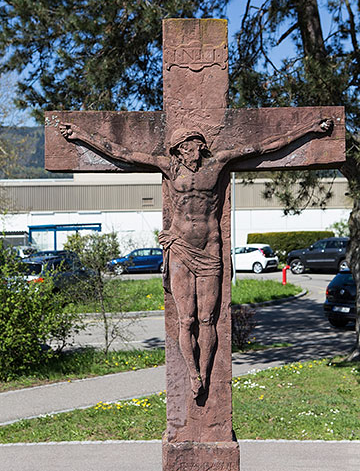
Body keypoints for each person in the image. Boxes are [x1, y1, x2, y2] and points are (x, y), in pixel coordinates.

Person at [59, 117, 333, 398]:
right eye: (187, 145)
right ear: (178, 149)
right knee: (185, 319)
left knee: (206, 319)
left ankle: (206, 370)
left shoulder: (217, 163)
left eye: (195, 143)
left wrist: (308, 128)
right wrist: (80, 134)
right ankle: (193, 373)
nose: (193, 148)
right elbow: (121, 153)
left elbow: (263, 147)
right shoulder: (168, 167)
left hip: (209, 249)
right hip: (179, 247)